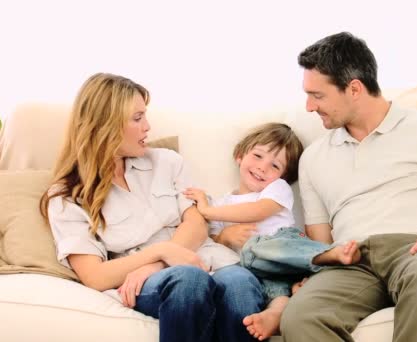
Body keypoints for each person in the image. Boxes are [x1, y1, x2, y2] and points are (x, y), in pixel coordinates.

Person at [279, 32, 417, 342]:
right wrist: (316, 270)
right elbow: (322, 245)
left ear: (354, 89)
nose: (309, 106)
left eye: (318, 95)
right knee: (301, 316)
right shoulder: (314, 158)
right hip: (353, 264)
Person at [40, 73, 265, 342]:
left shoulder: (167, 162)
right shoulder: (67, 196)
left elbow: (196, 224)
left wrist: (158, 262)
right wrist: (162, 253)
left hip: (205, 257)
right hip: (151, 282)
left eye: (145, 116)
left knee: (240, 285)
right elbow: (95, 276)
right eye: (137, 118)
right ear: (105, 125)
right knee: (187, 280)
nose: (148, 126)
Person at [183, 122, 361, 341]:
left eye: (275, 166)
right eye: (258, 156)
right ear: (240, 155)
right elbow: (211, 243)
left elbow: (258, 211)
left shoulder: (276, 189)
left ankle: (326, 256)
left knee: (256, 246)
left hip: (284, 248)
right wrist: (224, 237)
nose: (263, 167)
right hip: (260, 270)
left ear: (284, 177)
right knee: (274, 289)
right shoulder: (223, 203)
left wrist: (207, 210)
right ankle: (275, 314)